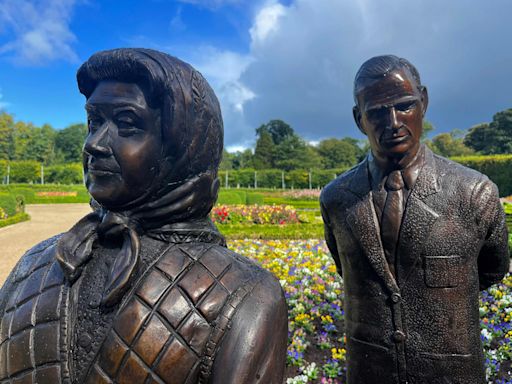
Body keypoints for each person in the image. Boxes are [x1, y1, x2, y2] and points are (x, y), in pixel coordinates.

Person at [0, 48, 288, 384]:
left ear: (182, 147)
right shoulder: (32, 265)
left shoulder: (247, 294)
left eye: (126, 124)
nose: (94, 143)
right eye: (94, 122)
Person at [320, 55, 509, 384]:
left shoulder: (474, 192)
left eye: (405, 105)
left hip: (452, 373)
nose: (392, 122)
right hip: (369, 371)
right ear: (358, 118)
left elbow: (492, 269)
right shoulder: (336, 200)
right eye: (377, 112)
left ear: (424, 102)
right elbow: (346, 266)